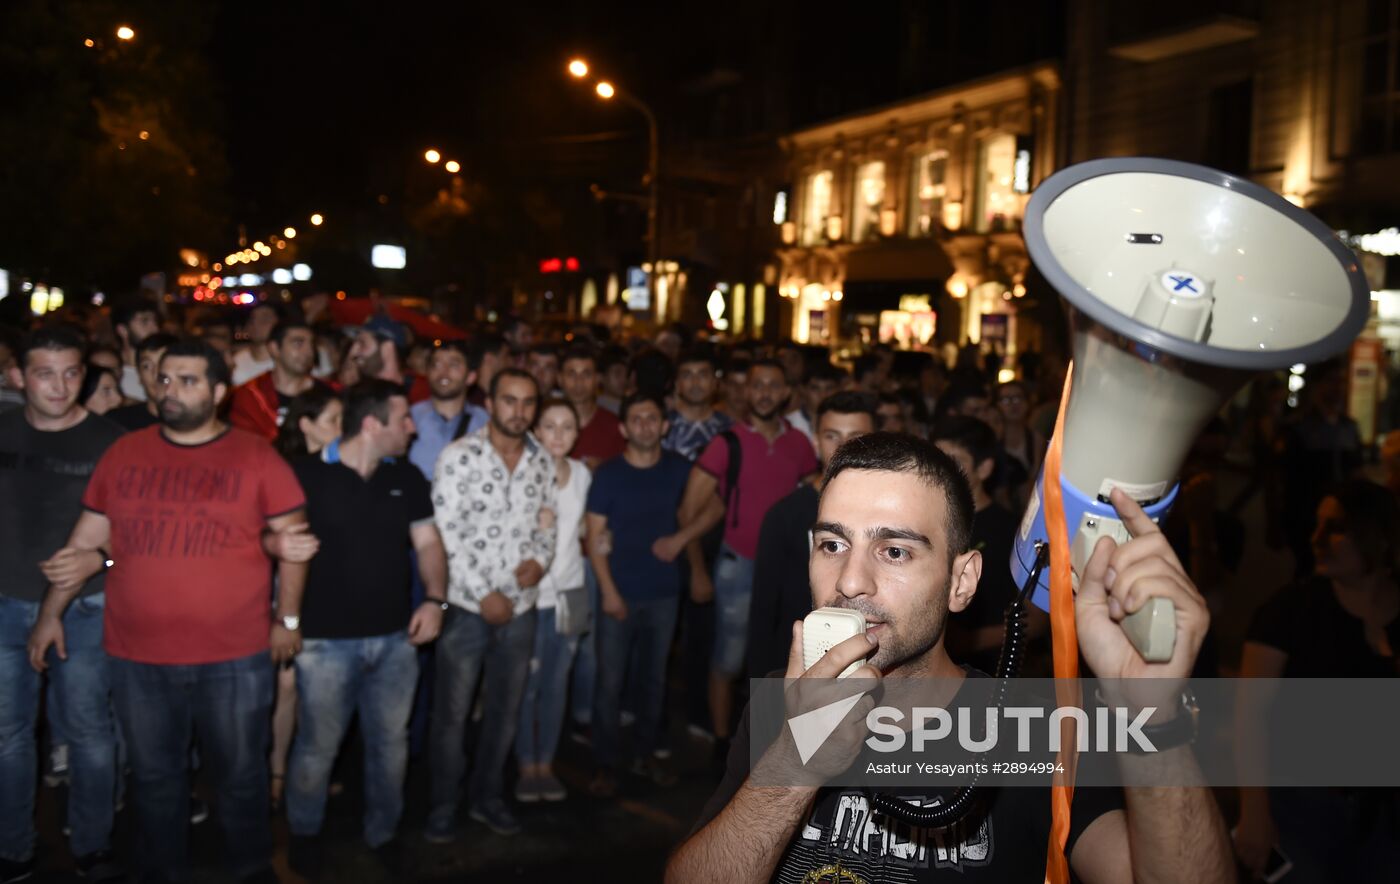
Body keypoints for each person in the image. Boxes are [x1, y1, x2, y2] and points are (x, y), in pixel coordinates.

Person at [667, 432, 1233, 884]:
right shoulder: (783, 702)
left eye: (894, 551)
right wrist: (794, 762)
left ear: (961, 581)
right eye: (832, 545)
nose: (850, 581)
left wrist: (1156, 720)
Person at [27, 337, 312, 884]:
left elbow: (293, 542)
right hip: (139, 655)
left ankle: (251, 870)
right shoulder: (124, 453)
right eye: (163, 380)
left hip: (234, 656)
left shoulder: (255, 456)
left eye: (188, 380)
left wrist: (288, 619)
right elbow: (91, 541)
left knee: (240, 778)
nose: (171, 391)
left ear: (219, 391)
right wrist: (49, 613)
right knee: (156, 780)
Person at [285, 380, 448, 877]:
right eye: (403, 419)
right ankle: (304, 834)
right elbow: (275, 542)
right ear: (372, 424)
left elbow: (428, 544)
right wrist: (287, 621)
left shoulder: (408, 477)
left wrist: (437, 599)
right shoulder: (305, 475)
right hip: (324, 642)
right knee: (317, 747)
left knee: (389, 745)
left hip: (395, 639)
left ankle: (384, 832)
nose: (412, 427)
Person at [1, 327, 125, 883]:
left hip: (88, 609)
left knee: (89, 733)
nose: (60, 385)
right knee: (8, 735)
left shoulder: (113, 443)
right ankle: (14, 848)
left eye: (72, 372)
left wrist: (101, 560)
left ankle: (93, 846)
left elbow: (142, 534)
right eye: (45, 373)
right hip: (4, 603)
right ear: (16, 377)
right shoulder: (1, 430)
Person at [1234, 480, 1400, 881]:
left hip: (1384, 815)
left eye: (1337, 527)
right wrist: (1253, 812)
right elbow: (1248, 717)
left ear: (1376, 535)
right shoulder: (1291, 610)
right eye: (1317, 525)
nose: (1318, 539)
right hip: (1301, 806)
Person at [660, 359, 819, 752]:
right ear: (745, 393)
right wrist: (697, 569)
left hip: (790, 568)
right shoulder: (726, 442)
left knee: (780, 660)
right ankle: (721, 743)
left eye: (773, 385)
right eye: (756, 385)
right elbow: (688, 510)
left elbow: (814, 500)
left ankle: (770, 743)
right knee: (728, 660)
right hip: (738, 566)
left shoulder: (800, 444)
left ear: (785, 393)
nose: (764, 393)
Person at [428, 368, 556, 840]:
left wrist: (540, 562)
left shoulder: (540, 461)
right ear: (490, 402)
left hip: (521, 609)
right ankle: (442, 806)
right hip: (467, 607)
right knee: (452, 716)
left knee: (505, 713)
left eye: (527, 403)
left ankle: (487, 798)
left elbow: (548, 522)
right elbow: (447, 532)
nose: (518, 411)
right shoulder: (459, 457)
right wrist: (485, 594)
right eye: (509, 401)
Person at [585, 393, 692, 796]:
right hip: (620, 593)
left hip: (664, 594)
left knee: (654, 680)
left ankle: (645, 755)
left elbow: (714, 506)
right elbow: (595, 538)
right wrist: (609, 593)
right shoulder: (609, 475)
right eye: (637, 418)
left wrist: (682, 538)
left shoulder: (681, 470)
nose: (645, 425)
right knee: (609, 683)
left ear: (664, 426)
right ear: (624, 428)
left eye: (653, 418)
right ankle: (604, 764)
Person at [748, 391, 877, 678]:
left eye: (856, 436)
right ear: (816, 442)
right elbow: (763, 610)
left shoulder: (891, 514)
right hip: (797, 661)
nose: (844, 446)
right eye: (832, 436)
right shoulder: (784, 515)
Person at [268, 386, 342, 812]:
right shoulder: (283, 471)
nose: (340, 429)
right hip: (285, 587)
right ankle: (277, 772)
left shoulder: (343, 468)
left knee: (317, 687)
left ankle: (308, 773)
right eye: (332, 420)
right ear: (307, 424)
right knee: (287, 683)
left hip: (328, 586)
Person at [515, 397, 591, 804]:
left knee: (557, 682)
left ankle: (546, 763)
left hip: (571, 591)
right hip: (532, 596)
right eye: (549, 426)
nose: (558, 435)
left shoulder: (581, 474)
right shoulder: (523, 474)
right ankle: (527, 765)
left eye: (567, 427)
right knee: (528, 684)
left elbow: (584, 526)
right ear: (535, 431)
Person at [931, 416, 1047, 676]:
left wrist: (968, 641)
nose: (941, 471)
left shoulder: (1013, 531)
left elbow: (1038, 621)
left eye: (955, 462)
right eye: (936, 460)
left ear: (984, 468)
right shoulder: (925, 522)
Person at [228, 320, 326, 441]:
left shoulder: (329, 393)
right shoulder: (250, 396)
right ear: (274, 348)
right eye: (298, 343)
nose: (309, 352)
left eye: (311, 344)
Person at [407, 341, 488, 482]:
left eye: (453, 365)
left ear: (471, 376)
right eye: (436, 365)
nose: (443, 373)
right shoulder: (410, 417)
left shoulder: (484, 422)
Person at [664, 347, 733, 462]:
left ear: (715, 383)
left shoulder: (728, 428)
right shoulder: (662, 427)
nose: (695, 382)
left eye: (703, 375)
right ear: (677, 384)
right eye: (687, 375)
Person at [562, 345, 625, 470]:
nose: (578, 382)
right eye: (571, 374)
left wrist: (605, 472)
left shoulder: (615, 427)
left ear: (598, 379)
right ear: (559, 379)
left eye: (586, 374)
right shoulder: (544, 424)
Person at [349, 314, 429, 403]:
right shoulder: (356, 396)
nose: (353, 352)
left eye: (362, 343)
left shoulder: (423, 395)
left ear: (387, 348)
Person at [106, 332, 176, 431]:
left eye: (163, 363)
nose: (156, 374)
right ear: (139, 375)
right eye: (147, 366)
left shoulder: (200, 422)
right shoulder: (116, 423)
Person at [784, 363, 845, 450]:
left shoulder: (846, 424)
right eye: (815, 388)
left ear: (839, 389)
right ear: (802, 390)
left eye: (829, 388)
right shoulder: (789, 424)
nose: (823, 395)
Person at [112, 300, 160, 401]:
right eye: (144, 321)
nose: (155, 328)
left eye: (155, 321)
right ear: (122, 330)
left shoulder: (163, 369)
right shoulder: (112, 371)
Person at [230, 302, 282, 386]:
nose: (256, 324)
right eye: (252, 320)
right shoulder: (235, 361)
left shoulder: (289, 361)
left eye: (264, 320)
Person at [465, 332, 510, 408]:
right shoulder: (472, 399)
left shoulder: (490, 394)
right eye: (505, 357)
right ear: (488, 358)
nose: (508, 362)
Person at [596, 345, 629, 415]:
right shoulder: (594, 409)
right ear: (601, 377)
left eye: (626, 374)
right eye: (617, 373)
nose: (624, 380)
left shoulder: (631, 406)